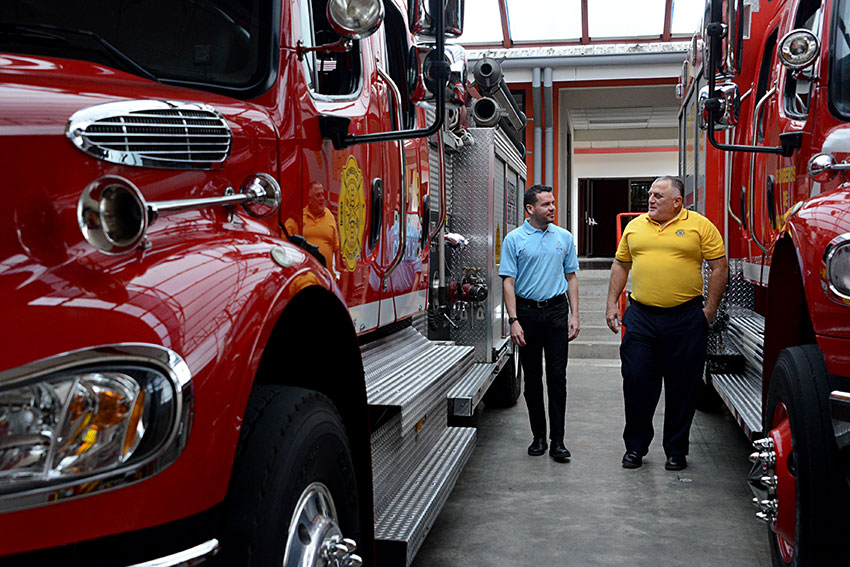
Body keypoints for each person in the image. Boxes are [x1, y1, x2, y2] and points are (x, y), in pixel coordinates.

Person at [605, 175, 728, 471]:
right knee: (636, 381)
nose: (651, 200)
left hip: (685, 318)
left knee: (682, 388)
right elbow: (621, 264)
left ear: (677, 201)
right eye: (650, 194)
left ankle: (676, 450)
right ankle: (635, 447)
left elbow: (719, 266)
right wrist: (611, 302)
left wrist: (709, 310)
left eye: (659, 196)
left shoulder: (700, 225)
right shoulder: (635, 227)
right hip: (641, 317)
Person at [500, 185, 580, 463]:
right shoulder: (514, 239)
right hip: (527, 314)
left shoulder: (564, 237)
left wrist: (575, 315)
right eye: (546, 204)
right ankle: (539, 437)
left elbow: (571, 277)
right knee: (532, 379)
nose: (552, 208)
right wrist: (514, 321)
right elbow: (508, 282)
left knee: (558, 377)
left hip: (557, 311)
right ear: (530, 209)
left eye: (553, 203)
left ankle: (558, 441)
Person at [284, 182, 340, 272]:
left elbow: (336, 248)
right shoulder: (298, 217)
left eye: (323, 195)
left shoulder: (330, 216)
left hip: (326, 278)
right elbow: (284, 243)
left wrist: (339, 274)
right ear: (309, 199)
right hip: (306, 276)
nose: (322, 198)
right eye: (318, 195)